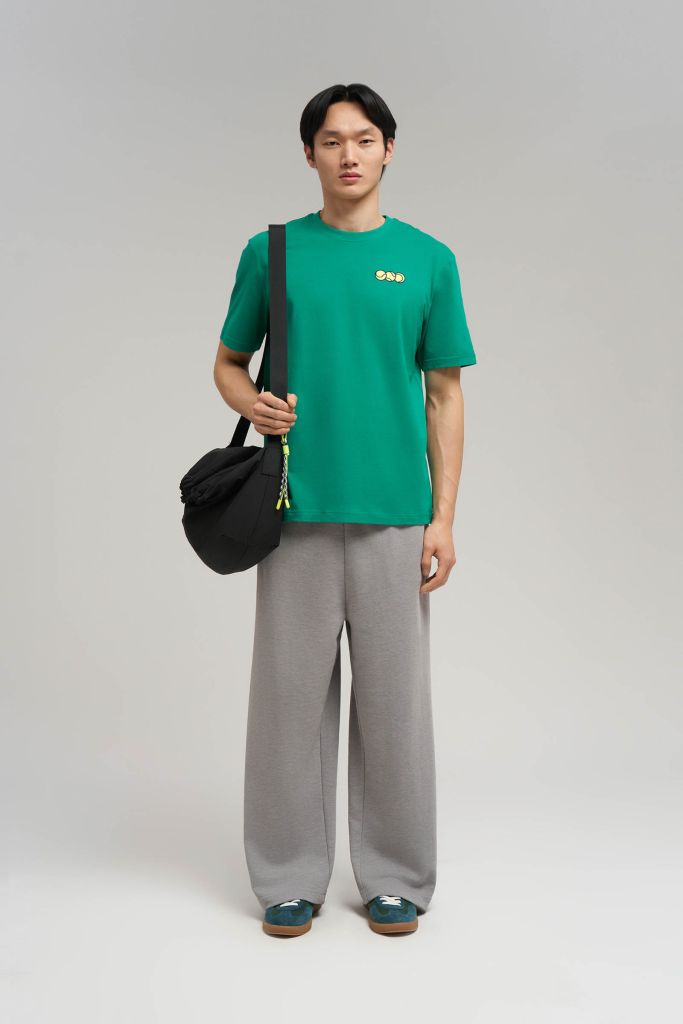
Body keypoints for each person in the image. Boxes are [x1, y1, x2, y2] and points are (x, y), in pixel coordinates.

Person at [213, 83, 477, 937]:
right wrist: (252, 405)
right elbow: (227, 363)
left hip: (395, 515)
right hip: (292, 510)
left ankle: (396, 877)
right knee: (287, 705)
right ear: (309, 154)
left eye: (364, 139)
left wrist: (442, 518)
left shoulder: (428, 259)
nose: (349, 154)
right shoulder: (273, 252)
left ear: (388, 149)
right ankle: (287, 876)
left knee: (395, 707)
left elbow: (444, 395)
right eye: (331, 141)